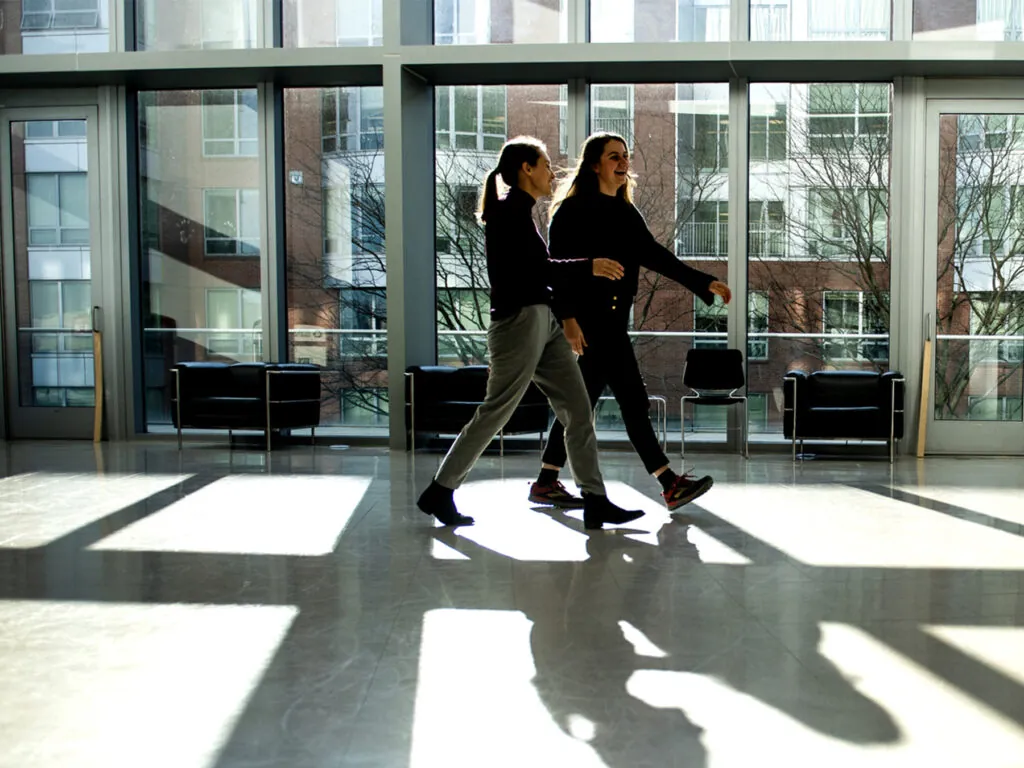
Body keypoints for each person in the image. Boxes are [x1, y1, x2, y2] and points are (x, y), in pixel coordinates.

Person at [416, 136, 645, 530]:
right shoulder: (507, 214)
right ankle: (440, 490)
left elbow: (542, 271)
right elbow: (536, 270)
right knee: (496, 410)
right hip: (519, 323)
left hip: (544, 320)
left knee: (578, 410)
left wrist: (568, 301)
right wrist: (588, 265)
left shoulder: (520, 213)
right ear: (526, 169)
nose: (551, 173)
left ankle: (595, 500)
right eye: (545, 165)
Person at [528, 132, 732, 512]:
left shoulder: (626, 212)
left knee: (583, 404)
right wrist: (568, 320)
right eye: (614, 157)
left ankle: (546, 480)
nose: (623, 163)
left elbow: (656, 256)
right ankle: (668, 483)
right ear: (594, 165)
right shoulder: (571, 212)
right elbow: (556, 273)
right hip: (591, 324)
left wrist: (702, 282)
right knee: (631, 402)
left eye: (625, 156)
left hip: (614, 322)